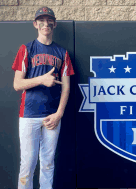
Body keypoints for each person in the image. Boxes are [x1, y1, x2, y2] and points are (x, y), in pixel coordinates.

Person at [12, 6, 74, 189]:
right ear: (35, 24)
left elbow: (67, 87)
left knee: (48, 163)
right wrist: (42, 80)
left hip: (52, 116)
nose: (45, 24)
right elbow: (17, 84)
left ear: (54, 24)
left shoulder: (62, 53)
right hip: (29, 114)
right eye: (41, 20)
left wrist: (59, 114)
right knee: (28, 165)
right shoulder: (26, 49)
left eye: (49, 21)